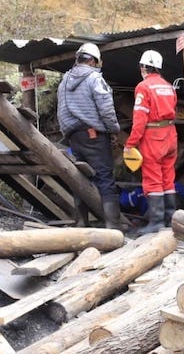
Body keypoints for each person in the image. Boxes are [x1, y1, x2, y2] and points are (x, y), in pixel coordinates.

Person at [56, 43, 123, 229]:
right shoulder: (95, 79)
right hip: (93, 134)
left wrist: (68, 133)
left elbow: (61, 110)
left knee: (81, 177)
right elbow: (106, 109)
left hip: (73, 136)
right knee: (105, 177)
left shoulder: (65, 81)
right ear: (93, 61)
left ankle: (81, 222)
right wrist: (113, 129)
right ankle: (113, 225)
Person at [124, 50, 178, 234]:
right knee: (168, 177)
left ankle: (156, 222)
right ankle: (170, 219)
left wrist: (130, 144)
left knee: (153, 179)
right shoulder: (168, 86)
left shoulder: (143, 87)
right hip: (170, 134)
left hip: (153, 137)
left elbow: (140, 120)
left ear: (144, 67)